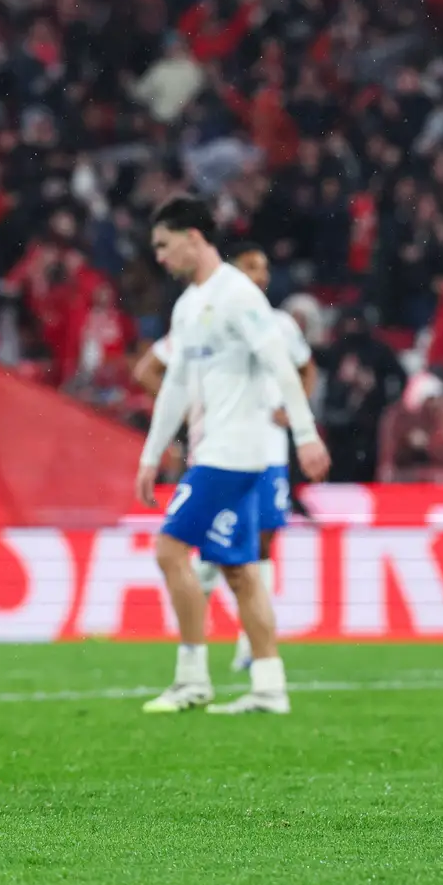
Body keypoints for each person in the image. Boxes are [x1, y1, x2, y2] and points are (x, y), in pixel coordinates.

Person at [135, 198, 330, 716]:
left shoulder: (238, 296)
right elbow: (175, 386)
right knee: (240, 569)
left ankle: (191, 677)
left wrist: (306, 435)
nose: (158, 256)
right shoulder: (188, 305)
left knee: (169, 550)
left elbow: (283, 367)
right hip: (227, 453)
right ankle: (269, 687)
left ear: (192, 237)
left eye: (163, 243)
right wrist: (151, 453)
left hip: (231, 453)